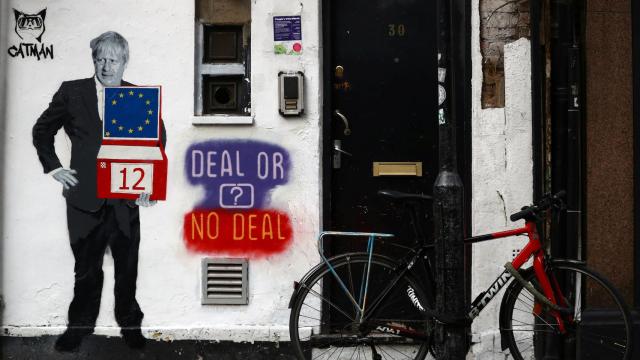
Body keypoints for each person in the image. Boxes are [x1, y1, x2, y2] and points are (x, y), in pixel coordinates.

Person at [32, 31, 166, 352]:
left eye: (113, 60)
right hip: (84, 201)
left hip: (123, 200)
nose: (106, 66)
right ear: (94, 60)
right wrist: (54, 167)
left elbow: (157, 140)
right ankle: (78, 328)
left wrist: (149, 184)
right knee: (86, 271)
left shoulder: (137, 97)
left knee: (127, 268)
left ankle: (130, 326)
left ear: (124, 63)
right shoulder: (72, 92)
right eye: (101, 59)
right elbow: (42, 129)